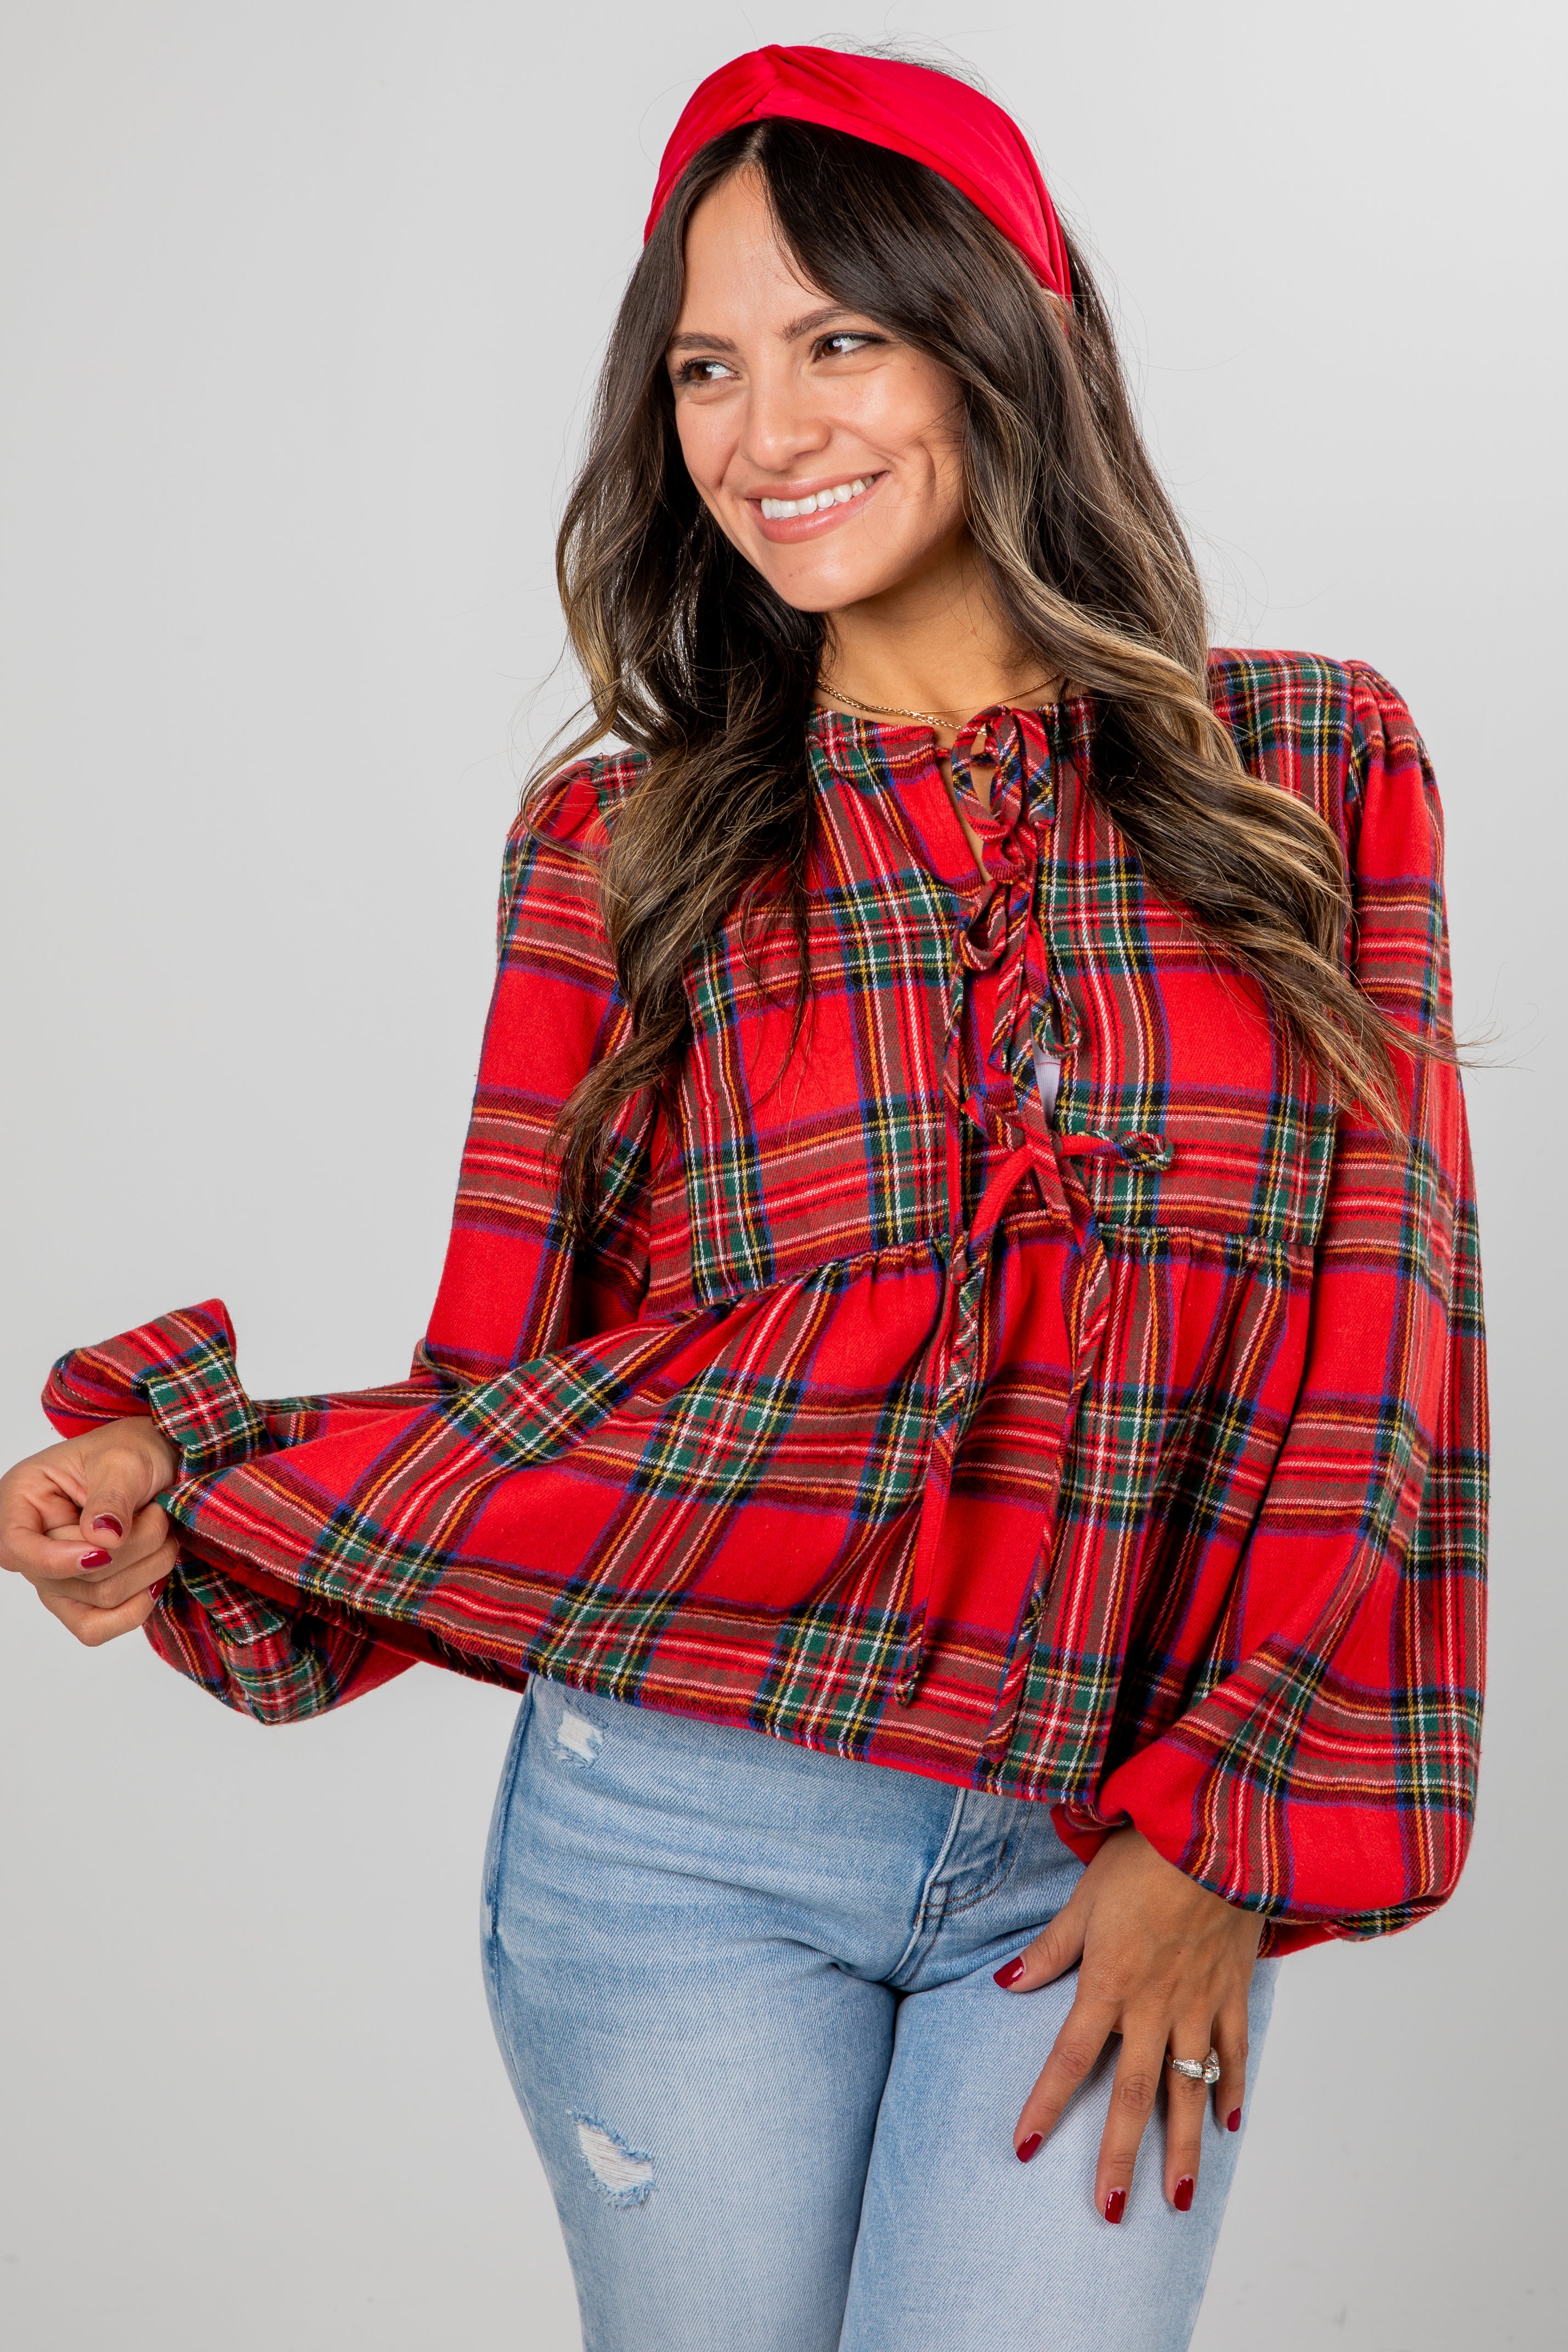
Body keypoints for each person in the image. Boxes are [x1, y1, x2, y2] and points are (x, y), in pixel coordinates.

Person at [0, 44, 1486, 2352]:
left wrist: (1220, 1833)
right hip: (672, 1843)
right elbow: (527, 1394)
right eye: (706, 365)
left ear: (1013, 336)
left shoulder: (1310, 766)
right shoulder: (617, 849)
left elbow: (1378, 1355)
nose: (767, 431)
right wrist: (190, 1479)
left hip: (1104, 1832)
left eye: (839, 339)